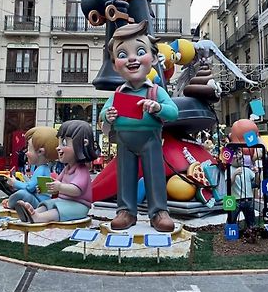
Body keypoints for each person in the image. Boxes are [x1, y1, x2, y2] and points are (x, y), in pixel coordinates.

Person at [100, 21, 179, 232]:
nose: (132, 58)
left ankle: (159, 212)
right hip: (124, 142)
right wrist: (108, 115)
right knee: (125, 176)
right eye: (123, 54)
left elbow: (173, 112)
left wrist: (157, 107)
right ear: (115, 63)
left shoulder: (156, 91)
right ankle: (125, 211)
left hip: (150, 141)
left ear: (153, 58)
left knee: (155, 175)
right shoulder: (118, 93)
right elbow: (103, 114)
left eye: (140, 51)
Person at [16, 120, 99, 223]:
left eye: (63, 143)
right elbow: (55, 184)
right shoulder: (66, 169)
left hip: (79, 205)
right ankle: (32, 212)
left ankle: (38, 217)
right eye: (59, 143)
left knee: (57, 211)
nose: (58, 148)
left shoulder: (81, 170)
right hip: (64, 201)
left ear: (84, 143)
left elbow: (77, 190)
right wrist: (46, 187)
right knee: (48, 204)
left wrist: (59, 187)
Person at [7, 126, 59, 210]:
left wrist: (14, 183)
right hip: (39, 198)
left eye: (29, 149)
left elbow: (30, 188)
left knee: (21, 193)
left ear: (40, 152)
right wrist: (23, 178)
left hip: (40, 202)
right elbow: (33, 184)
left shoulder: (41, 169)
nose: (26, 153)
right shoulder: (43, 168)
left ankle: (9, 204)